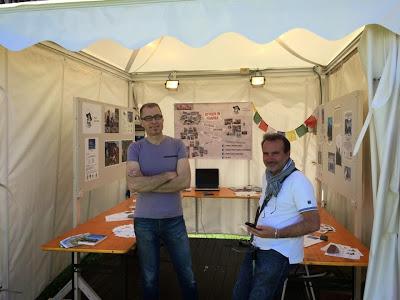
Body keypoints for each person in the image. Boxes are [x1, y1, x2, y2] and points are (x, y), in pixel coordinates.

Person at [233, 133, 320, 300]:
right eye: (266, 153)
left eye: (275, 153)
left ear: (287, 154)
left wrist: (275, 233)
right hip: (257, 245)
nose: (269, 158)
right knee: (239, 294)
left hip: (278, 252)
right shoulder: (268, 176)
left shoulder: (299, 182)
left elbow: (313, 223)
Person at [126, 103, 197, 300]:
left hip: (173, 219)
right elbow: (133, 184)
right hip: (145, 222)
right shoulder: (135, 147)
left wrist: (146, 184)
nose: (154, 121)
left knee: (187, 274)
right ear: (142, 122)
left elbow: (184, 181)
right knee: (149, 277)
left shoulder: (177, 145)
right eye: (148, 118)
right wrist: (166, 175)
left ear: (163, 118)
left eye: (157, 116)